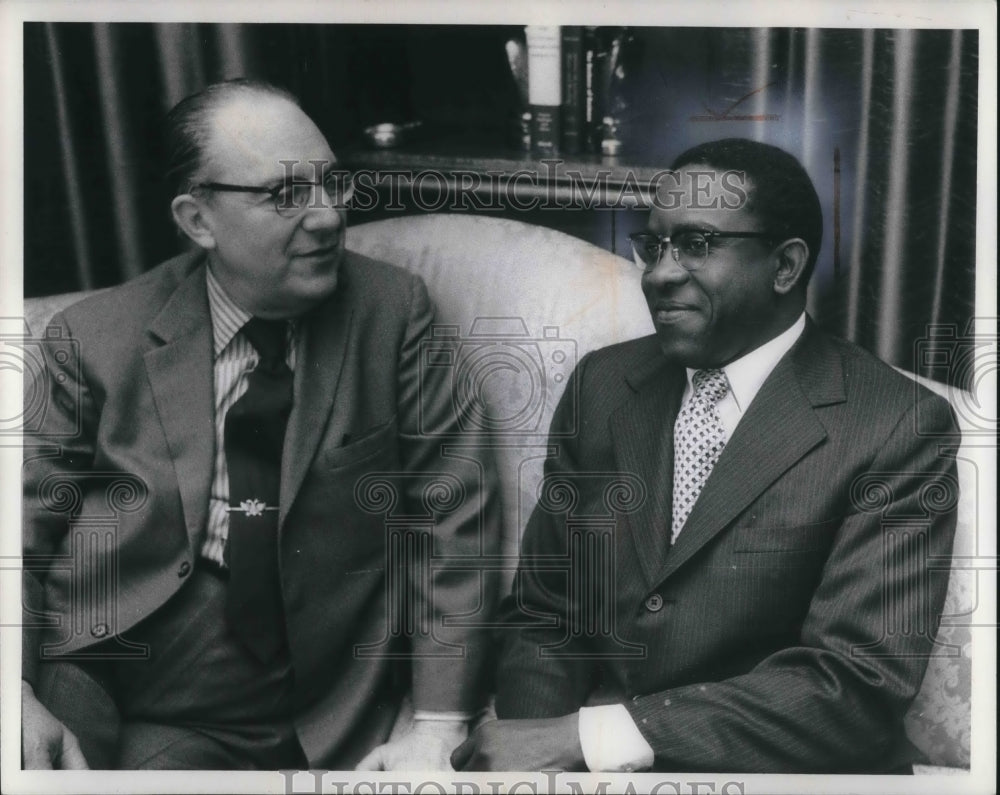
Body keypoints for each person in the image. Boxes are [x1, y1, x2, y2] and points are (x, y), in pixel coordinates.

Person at [22, 79, 498, 771]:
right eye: (285, 195)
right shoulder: (93, 338)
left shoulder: (393, 315)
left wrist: (436, 724)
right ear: (198, 219)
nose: (329, 216)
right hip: (103, 664)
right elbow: (18, 530)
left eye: (331, 184)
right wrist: (15, 687)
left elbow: (455, 517)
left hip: (306, 692)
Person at [451, 138, 960, 773]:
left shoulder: (897, 425)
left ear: (785, 266)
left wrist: (589, 741)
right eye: (654, 246)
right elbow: (546, 612)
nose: (659, 273)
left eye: (696, 245)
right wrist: (534, 762)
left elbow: (853, 686)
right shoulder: (603, 387)